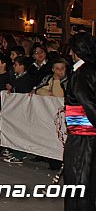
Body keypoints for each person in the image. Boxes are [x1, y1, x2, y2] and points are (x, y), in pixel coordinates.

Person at [64, 32, 96, 210]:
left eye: (72, 50)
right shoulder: (90, 69)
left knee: (78, 180)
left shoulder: (82, 72)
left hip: (82, 135)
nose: (69, 54)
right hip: (87, 134)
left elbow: (88, 104)